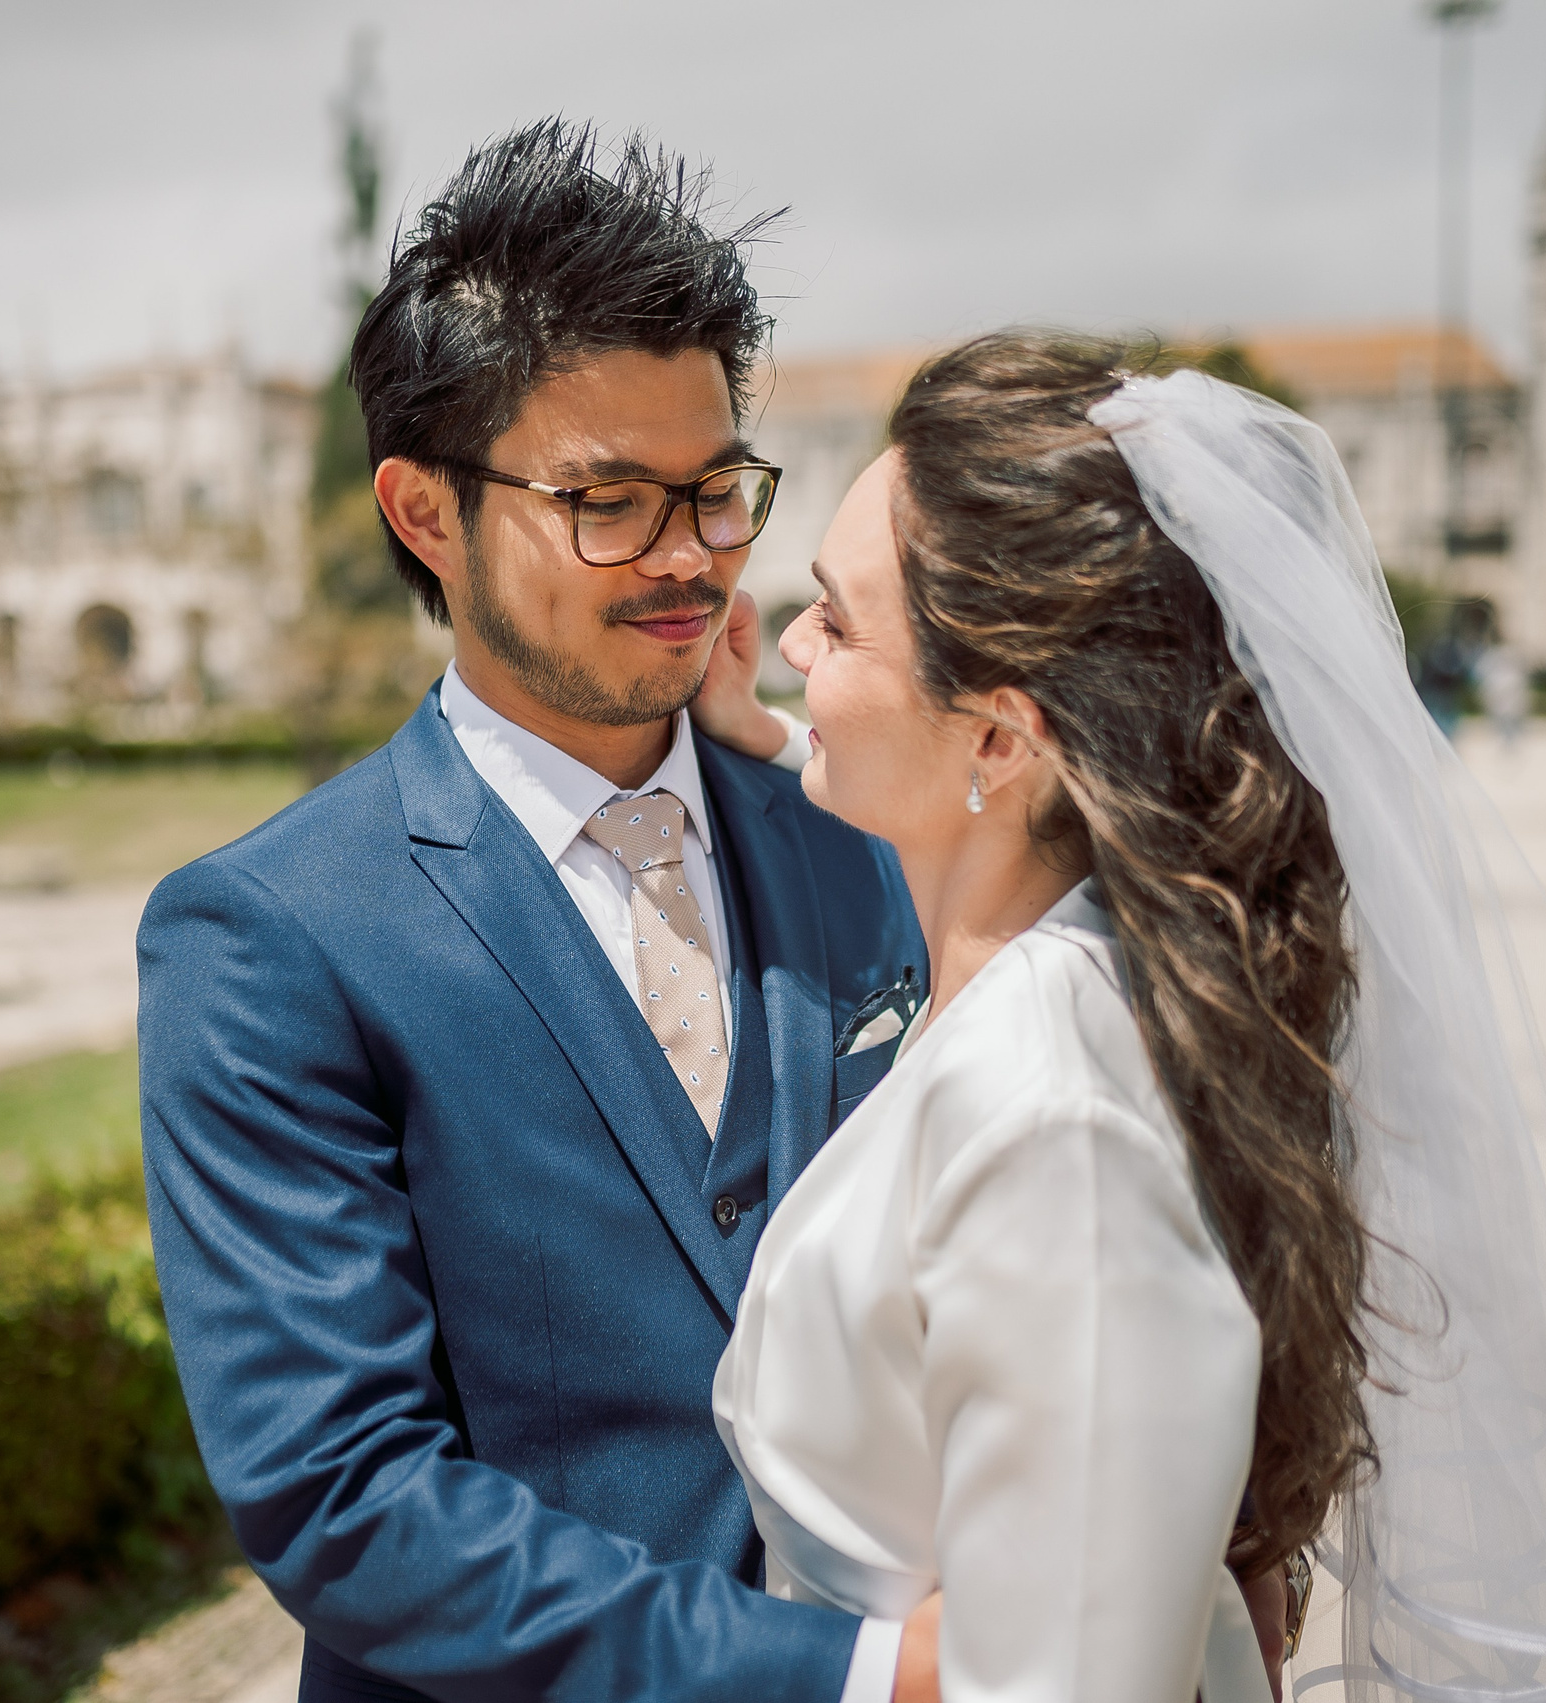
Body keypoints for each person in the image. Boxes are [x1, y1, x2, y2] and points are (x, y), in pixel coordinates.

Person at [693, 339, 1546, 1702]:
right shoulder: (1108, 958)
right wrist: (791, 731)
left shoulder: (1052, 1112)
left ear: (1004, 740)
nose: (780, 642)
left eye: (831, 623)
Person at [137, 125, 935, 1703]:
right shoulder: (269, 938)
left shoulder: (869, 843)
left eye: (718, 492)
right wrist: (851, 1675)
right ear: (425, 513)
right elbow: (350, 1501)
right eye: (611, 502)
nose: (693, 557)